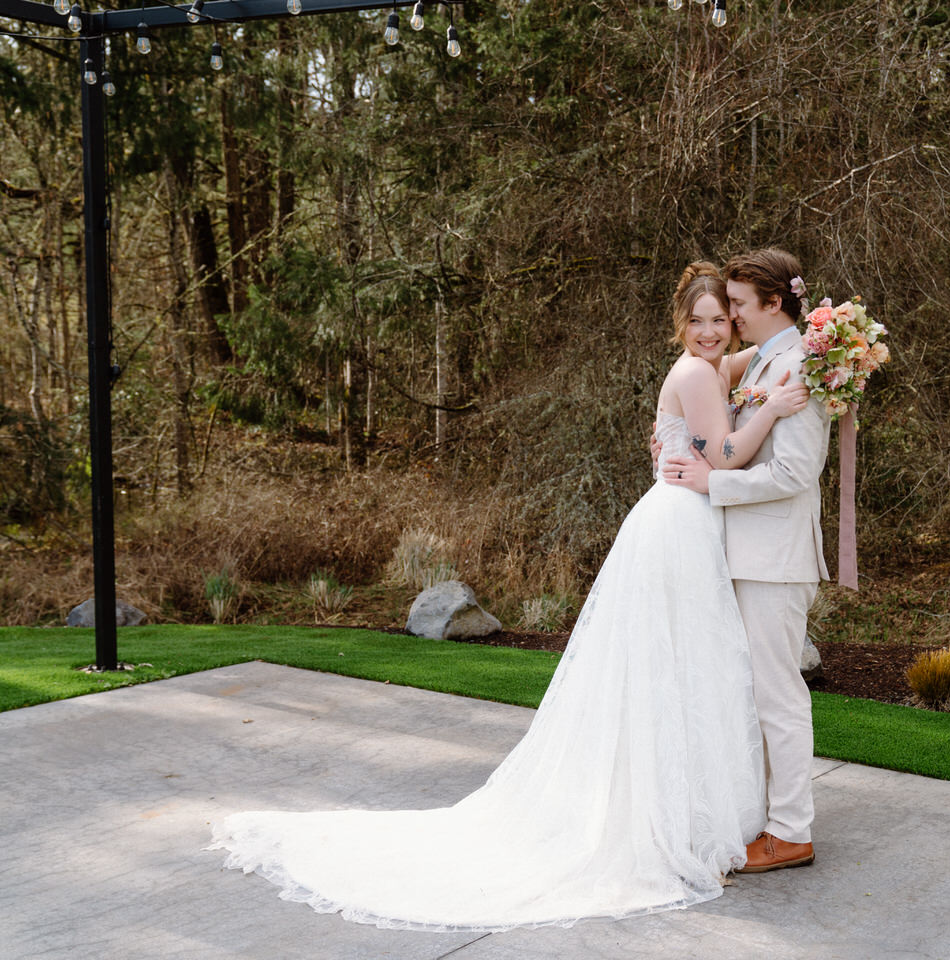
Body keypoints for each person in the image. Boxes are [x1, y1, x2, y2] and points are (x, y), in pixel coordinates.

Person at [207, 262, 810, 932]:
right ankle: (677, 812)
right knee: (679, 669)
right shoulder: (700, 372)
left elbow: (755, 356)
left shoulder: (722, 365)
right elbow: (722, 458)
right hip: (684, 519)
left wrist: (811, 335)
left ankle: (697, 805)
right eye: (696, 320)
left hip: (687, 524)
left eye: (719, 319)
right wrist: (773, 412)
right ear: (680, 324)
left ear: (736, 321)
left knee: (687, 670)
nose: (708, 330)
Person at [661, 248, 831, 874]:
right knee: (750, 694)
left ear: (772, 303)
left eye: (735, 305)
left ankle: (791, 832)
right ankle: (767, 817)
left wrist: (713, 484)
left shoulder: (804, 366)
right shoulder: (761, 359)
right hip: (744, 552)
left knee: (777, 697)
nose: (727, 317)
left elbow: (793, 470)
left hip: (774, 557)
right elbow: (709, 419)